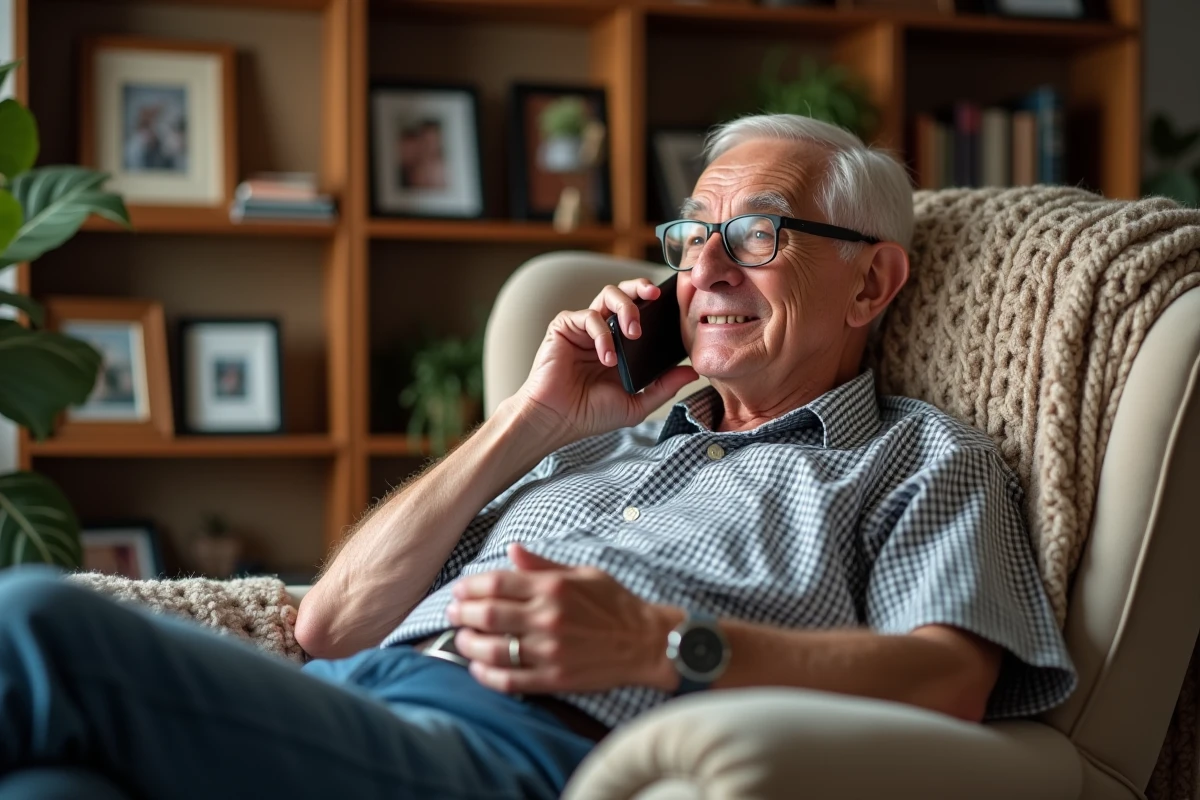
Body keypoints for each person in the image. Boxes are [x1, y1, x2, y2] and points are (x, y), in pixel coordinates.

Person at [0, 114, 1075, 800]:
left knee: (31, 618)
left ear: (873, 283)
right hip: (358, 706)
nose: (704, 268)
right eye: (688, 235)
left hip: (524, 756)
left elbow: (948, 682)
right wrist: (531, 418)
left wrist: (666, 643)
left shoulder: (915, 460)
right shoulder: (594, 444)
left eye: (756, 234)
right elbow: (328, 623)